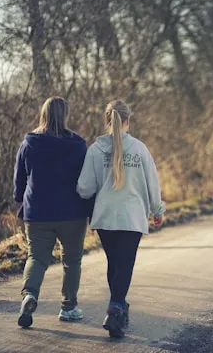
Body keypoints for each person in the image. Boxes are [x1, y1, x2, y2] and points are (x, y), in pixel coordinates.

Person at [77, 99, 165, 338]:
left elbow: (84, 188)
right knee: (124, 265)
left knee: (114, 263)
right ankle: (115, 307)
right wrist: (158, 211)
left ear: (107, 121)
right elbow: (152, 184)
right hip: (132, 217)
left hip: (105, 217)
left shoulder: (95, 150)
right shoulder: (139, 149)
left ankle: (118, 307)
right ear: (127, 121)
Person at [13, 97, 92, 328]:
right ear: (65, 115)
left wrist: (20, 197)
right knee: (72, 261)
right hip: (72, 213)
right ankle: (68, 308)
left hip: (37, 213)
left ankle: (29, 295)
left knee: (36, 258)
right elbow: (87, 180)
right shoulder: (78, 144)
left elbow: (20, 178)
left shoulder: (30, 142)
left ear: (43, 113)